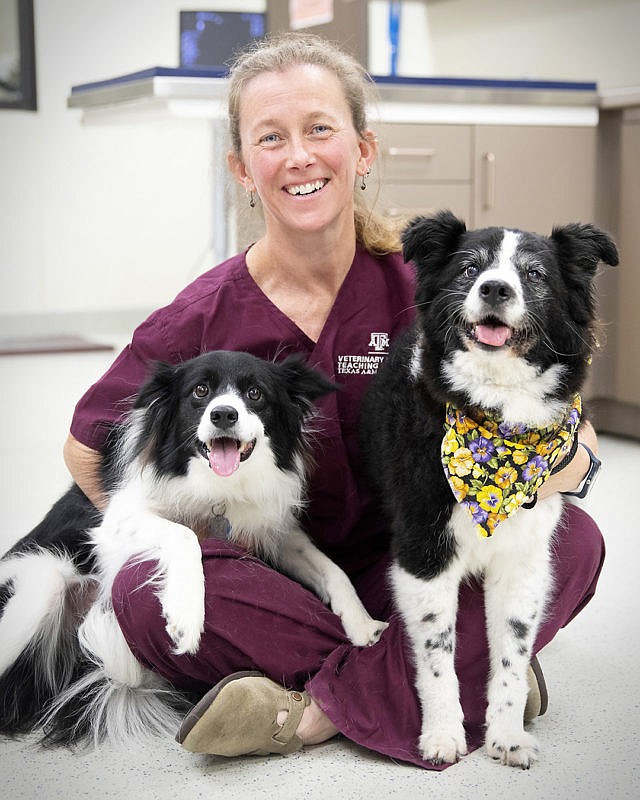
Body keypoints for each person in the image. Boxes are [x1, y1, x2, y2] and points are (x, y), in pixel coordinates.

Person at [63, 32, 604, 769]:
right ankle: (462, 681)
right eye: (270, 137)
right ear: (241, 168)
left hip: (420, 563)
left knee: (574, 541)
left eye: (320, 128)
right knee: (139, 594)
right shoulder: (201, 315)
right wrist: (178, 527)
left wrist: (567, 464)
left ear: (364, 149)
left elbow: (566, 428)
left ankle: (310, 712)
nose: (299, 156)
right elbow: (87, 448)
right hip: (280, 577)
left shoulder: (436, 288)